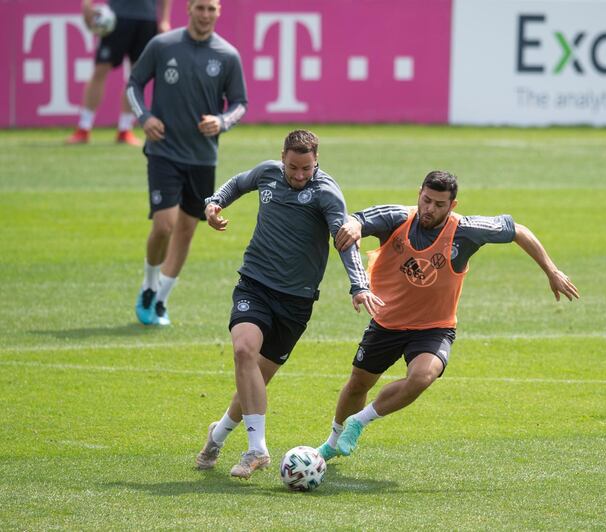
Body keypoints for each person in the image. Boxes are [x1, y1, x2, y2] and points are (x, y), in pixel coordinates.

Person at [315, 171, 580, 461]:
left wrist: (552, 271)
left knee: (422, 377)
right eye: (426, 200)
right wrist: (353, 226)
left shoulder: (465, 230)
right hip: (386, 322)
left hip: (434, 327)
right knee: (358, 385)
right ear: (419, 193)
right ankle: (330, 445)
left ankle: (360, 421)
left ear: (452, 205)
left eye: (439, 204)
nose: (430, 209)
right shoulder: (396, 218)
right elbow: (357, 220)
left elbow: (517, 230)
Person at [194, 129, 383, 479]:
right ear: (282, 157)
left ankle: (216, 436)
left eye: (306, 168)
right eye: (293, 167)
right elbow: (238, 183)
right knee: (243, 351)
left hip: (295, 302)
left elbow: (344, 241)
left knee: (254, 382)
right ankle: (257, 450)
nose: (299, 175)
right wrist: (214, 202)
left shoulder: (326, 193)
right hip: (255, 284)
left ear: (316, 162)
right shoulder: (267, 173)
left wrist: (359, 285)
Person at [126, 0, 247, 326]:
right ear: (188, 9)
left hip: (202, 157)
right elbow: (134, 84)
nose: (205, 15)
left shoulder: (227, 55)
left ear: (219, 12)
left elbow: (239, 103)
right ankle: (149, 284)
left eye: (211, 9)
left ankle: (162, 300)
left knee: (186, 230)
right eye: (200, 8)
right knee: (164, 225)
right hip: (163, 151)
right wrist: (145, 117)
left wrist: (221, 122)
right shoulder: (162, 45)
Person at [66, 0, 172, 146]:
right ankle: (84, 128)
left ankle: (125, 129)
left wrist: (165, 19)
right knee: (100, 70)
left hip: (147, 19)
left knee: (137, 75)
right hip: (117, 17)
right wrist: (86, 4)